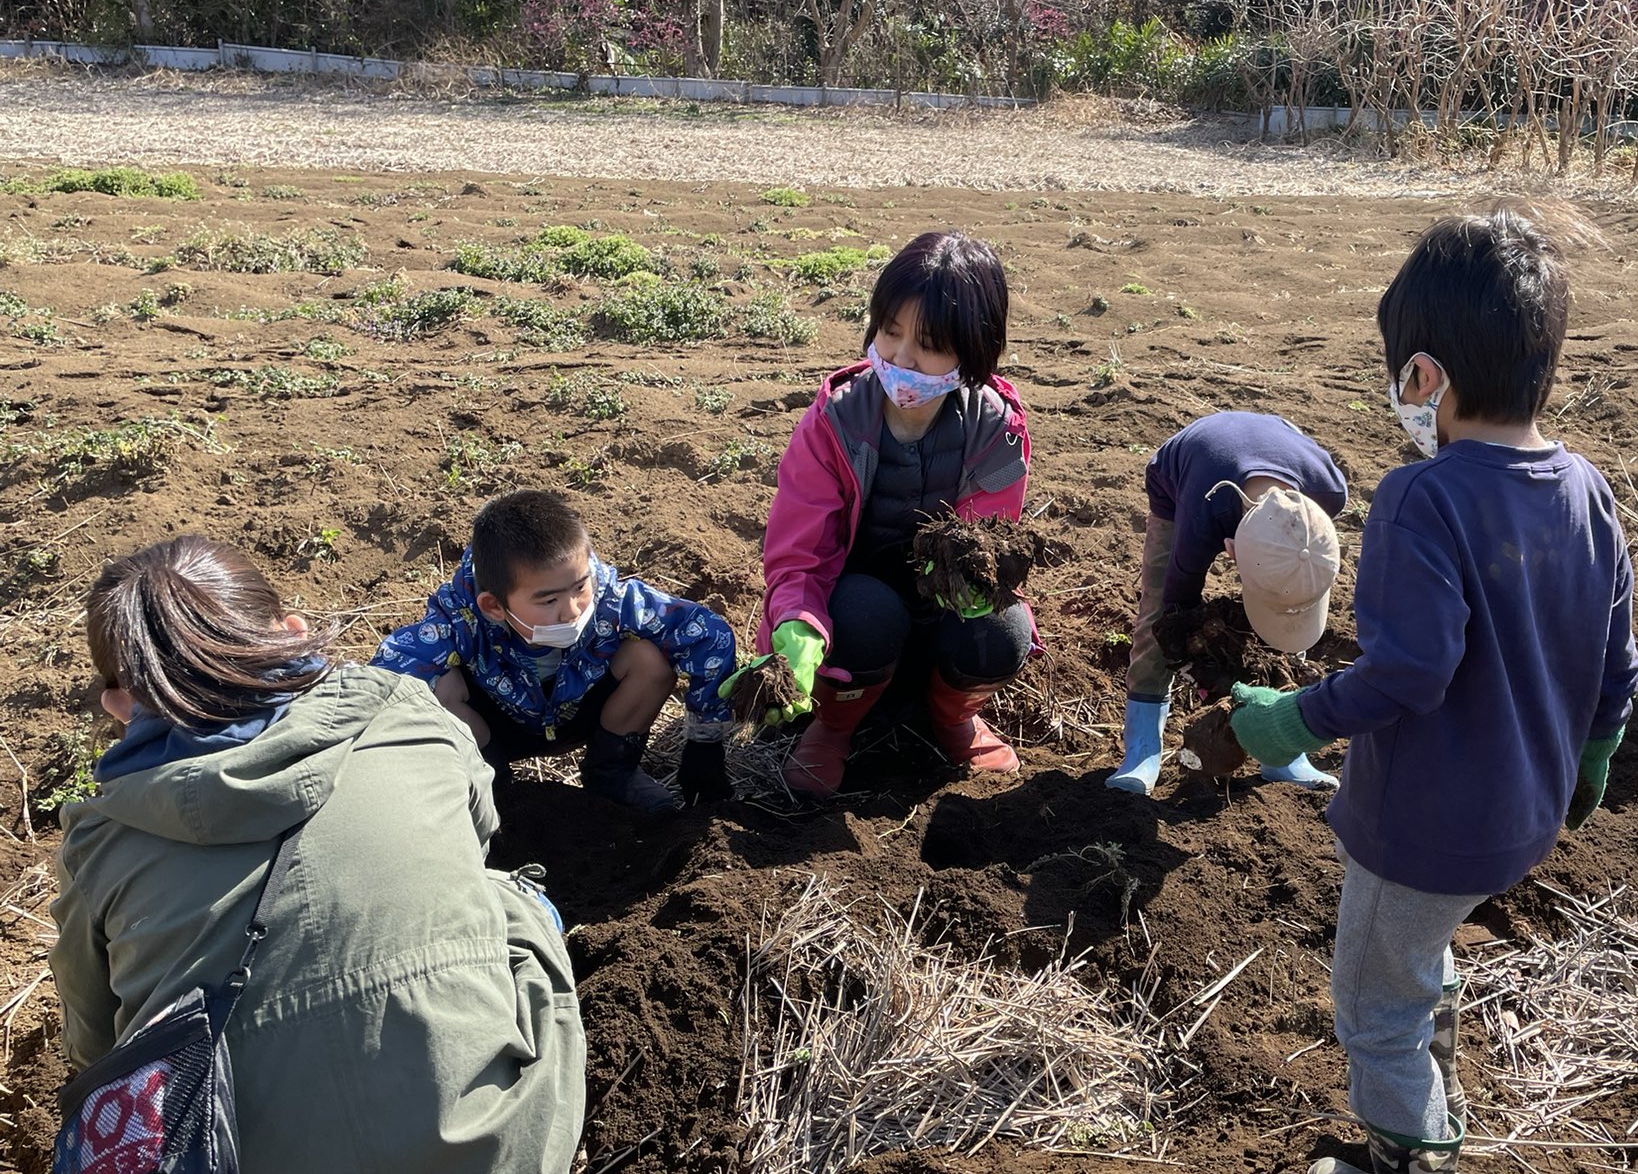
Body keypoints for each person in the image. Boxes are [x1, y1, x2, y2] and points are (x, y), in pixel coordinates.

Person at [1227, 211, 1638, 1174]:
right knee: (1421, 962)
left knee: (1370, 1002)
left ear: (1422, 373)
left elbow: (1408, 673)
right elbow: (1618, 662)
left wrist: (1289, 718)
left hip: (1422, 825)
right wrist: (1591, 758)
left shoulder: (1421, 498)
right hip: (1525, 813)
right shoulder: (1589, 491)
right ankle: (1436, 1099)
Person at [50, 536, 585, 1174]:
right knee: (514, 902)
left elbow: (95, 1050)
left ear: (121, 704)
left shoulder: (99, 843)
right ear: (294, 631)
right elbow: (472, 837)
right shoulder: (407, 714)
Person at [740, 230, 1035, 799]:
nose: (900, 358)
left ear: (971, 351)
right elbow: (799, 555)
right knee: (867, 613)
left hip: (936, 608)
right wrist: (796, 629)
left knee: (1002, 632)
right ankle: (832, 726)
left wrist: (978, 584)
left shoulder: (996, 429)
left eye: (927, 343)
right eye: (890, 331)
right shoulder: (835, 423)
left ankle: (951, 717)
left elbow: (988, 544)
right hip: (850, 610)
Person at [375, 489, 736, 817]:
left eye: (580, 587)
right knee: (436, 689)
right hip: (497, 731)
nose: (573, 610)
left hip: (583, 716)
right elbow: (386, 675)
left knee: (648, 658)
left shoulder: (610, 600)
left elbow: (708, 635)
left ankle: (613, 772)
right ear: (494, 606)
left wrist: (705, 742)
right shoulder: (459, 618)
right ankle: (491, 786)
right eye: (548, 600)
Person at [1106, 412, 1348, 795]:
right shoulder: (1200, 518)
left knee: (1293, 598)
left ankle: (1284, 752)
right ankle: (1142, 749)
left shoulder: (1330, 491)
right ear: (1230, 550)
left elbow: (1300, 577)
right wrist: (1195, 661)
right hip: (1182, 479)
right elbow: (1175, 609)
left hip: (1271, 449)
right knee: (1157, 615)